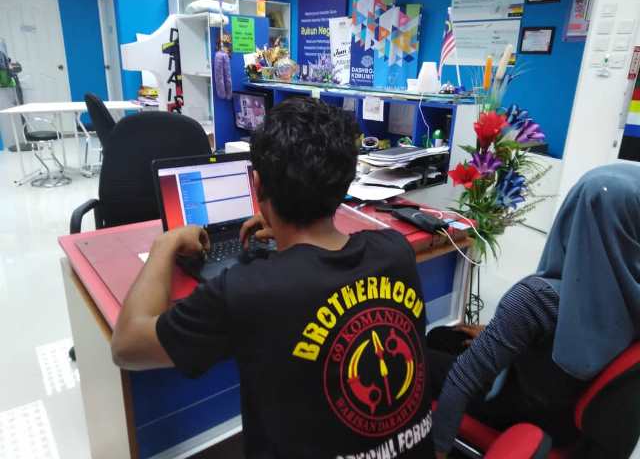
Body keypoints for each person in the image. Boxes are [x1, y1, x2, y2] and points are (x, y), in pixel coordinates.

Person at [111, 97, 436, 458]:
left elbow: (126, 346)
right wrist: (285, 232)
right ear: (345, 180)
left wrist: (165, 245)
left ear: (257, 184)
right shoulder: (395, 251)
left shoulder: (247, 291)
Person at [429, 163, 640, 459]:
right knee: (446, 336)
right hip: (566, 420)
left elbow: (461, 381)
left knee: (424, 354)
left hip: (517, 408)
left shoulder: (537, 299)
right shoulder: (630, 293)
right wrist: (501, 333)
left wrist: (437, 449)